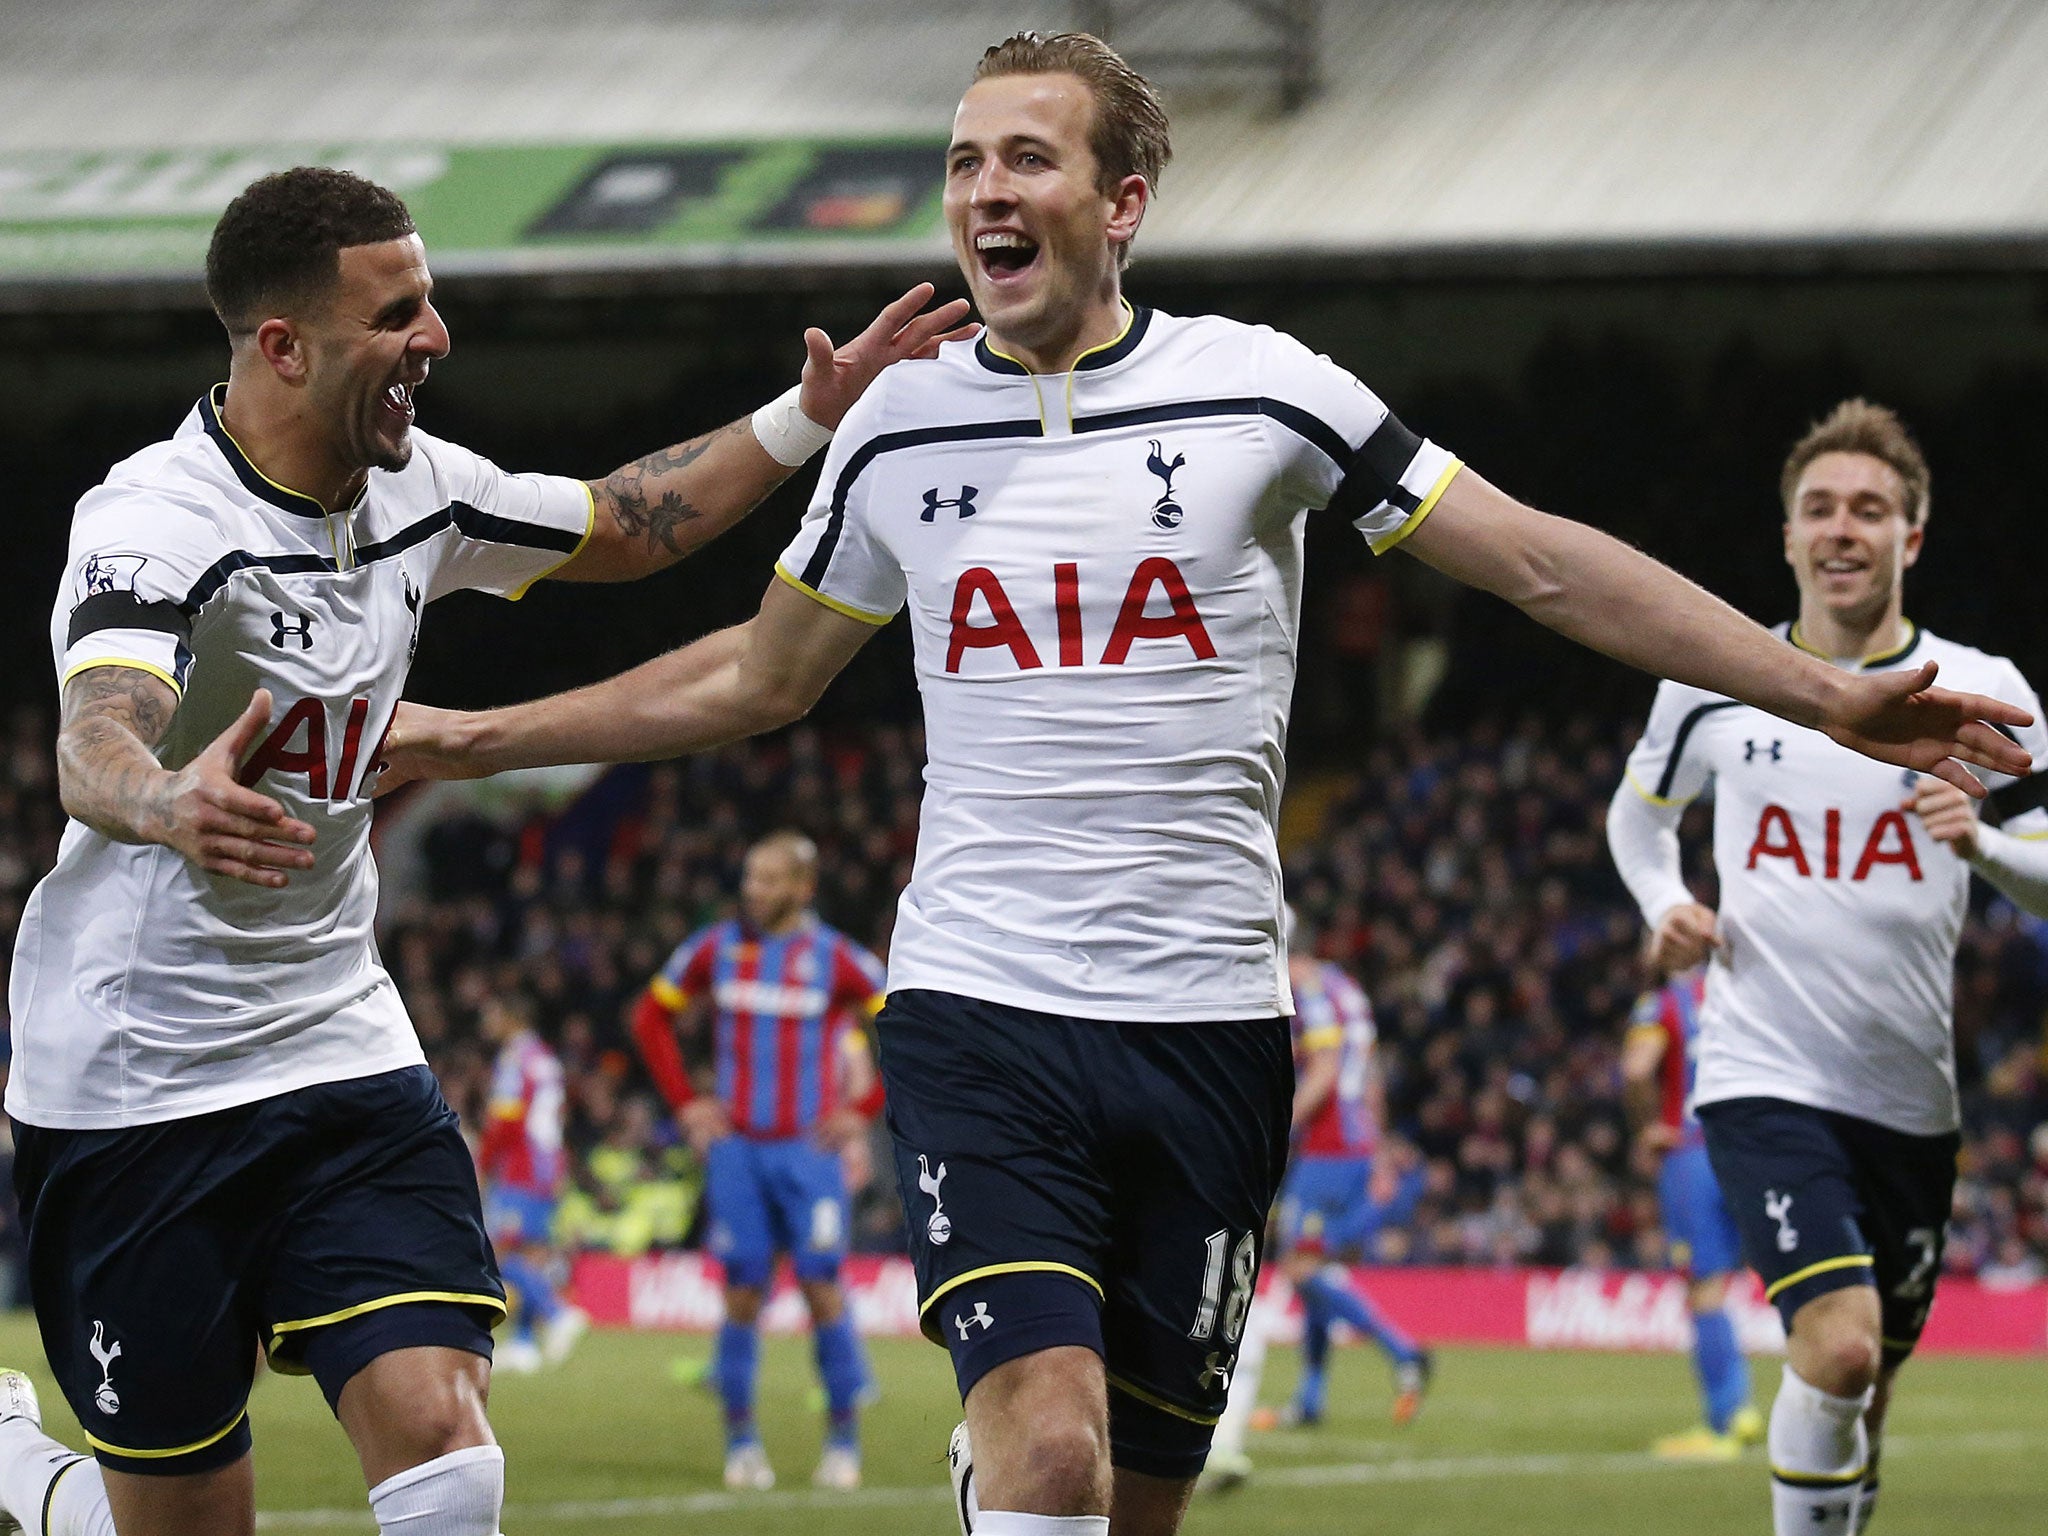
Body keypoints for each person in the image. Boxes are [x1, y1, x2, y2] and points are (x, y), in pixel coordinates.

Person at [374, 37, 2032, 1536]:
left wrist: (1820, 693)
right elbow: (757, 673)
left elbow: (1530, 559)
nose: (981, 192)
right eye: (962, 163)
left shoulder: (1263, 389)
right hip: (979, 1008)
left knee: (1138, 1500)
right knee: (1048, 1460)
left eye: (1024, 158)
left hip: (1211, 1031)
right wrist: (468, 736)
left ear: (1122, 200)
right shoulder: (895, 431)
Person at [0, 165, 967, 1536]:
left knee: (450, 1463)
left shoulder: (420, 493)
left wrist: (815, 407)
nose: (435, 338)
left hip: (338, 1047)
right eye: (399, 313)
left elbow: (622, 526)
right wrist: (164, 800)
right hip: (133, 1080)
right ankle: (36, 1485)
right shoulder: (157, 526)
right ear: (285, 346)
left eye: (431, 301)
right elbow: (97, 737)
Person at [1606, 399, 2048, 1534]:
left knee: (1867, 1391)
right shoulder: (1712, 680)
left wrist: (1984, 842)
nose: (1840, 528)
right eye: (1818, 509)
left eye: (1868, 509)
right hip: (1759, 1074)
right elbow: (1637, 819)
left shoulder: (1979, 690)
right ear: (1788, 536)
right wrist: (1666, 904)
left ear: (1911, 536)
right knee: (1838, 1350)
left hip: (1910, 1104)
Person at [629, 830, 887, 1493]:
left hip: (809, 1150)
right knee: (742, 1288)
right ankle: (742, 1443)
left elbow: (906, 1022)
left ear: (803, 888)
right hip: (738, 1149)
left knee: (821, 1286)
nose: (754, 890)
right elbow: (650, 1019)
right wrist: (688, 1103)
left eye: (769, 880)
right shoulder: (717, 947)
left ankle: (843, 1443)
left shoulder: (837, 959)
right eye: (749, 877)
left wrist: (861, 1111)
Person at [1199, 913, 1428, 1494]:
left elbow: (1325, 1068)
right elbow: (1367, 1072)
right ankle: (1311, 1398)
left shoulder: (1308, 990)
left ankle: (1404, 1350)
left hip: (1328, 1148)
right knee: (1312, 1271)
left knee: (1300, 1266)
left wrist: (1281, 1126)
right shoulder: (1347, 987)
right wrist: (1376, 1146)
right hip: (1355, 1144)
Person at [1619, 968, 1762, 1460]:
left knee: (1701, 1288)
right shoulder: (1745, 992)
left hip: (1692, 1151)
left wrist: (1649, 1126)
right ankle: (1743, 1404)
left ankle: (1724, 1422)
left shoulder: (1665, 1002)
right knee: (1727, 1281)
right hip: (1746, 1151)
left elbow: (1638, 1069)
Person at [475, 994, 586, 1374]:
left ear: (510, 1018)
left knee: (500, 1253)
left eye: (492, 1013)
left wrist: (484, 1163)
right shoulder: (545, 1058)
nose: (486, 1021)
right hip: (547, 1164)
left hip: (522, 1166)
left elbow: (505, 1119)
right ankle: (524, 1345)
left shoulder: (515, 1059)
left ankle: (558, 1314)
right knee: (530, 1254)